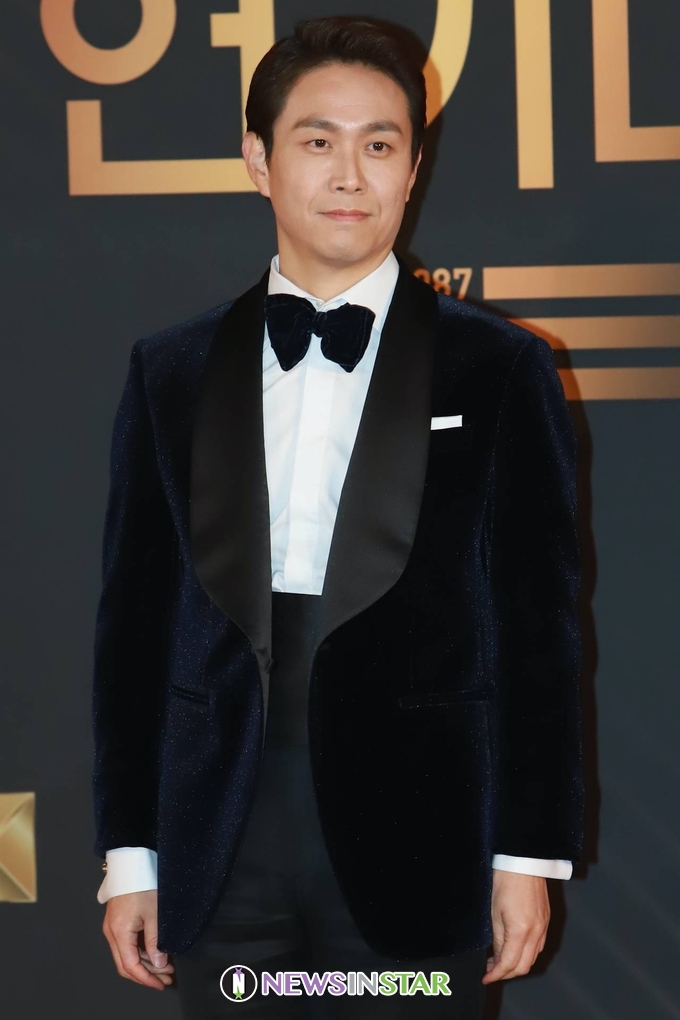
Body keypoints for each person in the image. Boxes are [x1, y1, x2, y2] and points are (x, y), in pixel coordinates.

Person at [92, 15, 585, 1018]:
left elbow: (539, 630)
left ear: (413, 168)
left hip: (426, 845)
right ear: (258, 160)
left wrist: (525, 854)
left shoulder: (498, 369)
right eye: (317, 141)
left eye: (379, 145)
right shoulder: (170, 371)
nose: (349, 175)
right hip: (222, 845)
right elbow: (134, 628)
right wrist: (131, 854)